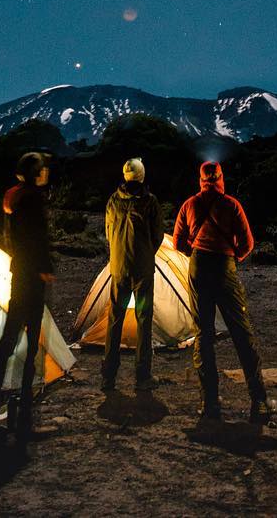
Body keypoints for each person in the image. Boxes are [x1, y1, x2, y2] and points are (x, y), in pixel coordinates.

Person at [173, 160, 273, 422]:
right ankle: (259, 400)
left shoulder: (189, 205)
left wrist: (194, 252)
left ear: (201, 179)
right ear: (220, 178)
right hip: (223, 265)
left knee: (203, 333)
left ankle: (209, 403)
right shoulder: (231, 205)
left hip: (198, 265)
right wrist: (233, 256)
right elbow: (248, 242)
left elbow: (177, 241)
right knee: (241, 331)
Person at [0, 151, 55, 446]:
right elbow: (36, 237)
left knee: (8, 344)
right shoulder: (32, 199)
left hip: (20, 274)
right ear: (35, 172)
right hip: (31, 279)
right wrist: (45, 268)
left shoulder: (14, 197)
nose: (47, 172)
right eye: (43, 169)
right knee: (29, 346)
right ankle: (22, 420)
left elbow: (18, 239)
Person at [102, 156, 165, 391]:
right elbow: (157, 237)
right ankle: (142, 376)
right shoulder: (149, 202)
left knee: (114, 320)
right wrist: (145, 253)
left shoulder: (113, 201)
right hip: (142, 270)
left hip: (118, 268)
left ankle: (108, 376)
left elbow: (109, 234)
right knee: (143, 320)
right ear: (142, 176)